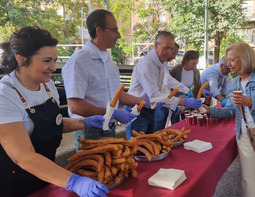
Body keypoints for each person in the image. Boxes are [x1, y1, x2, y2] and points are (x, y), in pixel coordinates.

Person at [0, 26, 113, 197]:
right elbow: (23, 156)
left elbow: (54, 123)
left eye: (55, 60)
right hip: (14, 182)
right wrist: (73, 181)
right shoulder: (5, 95)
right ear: (21, 59)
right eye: (46, 61)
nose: (53, 67)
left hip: (45, 174)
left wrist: (85, 121)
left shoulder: (47, 86)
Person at [202, 42, 255, 197]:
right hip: (244, 136)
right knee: (246, 179)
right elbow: (230, 111)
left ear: (245, 58)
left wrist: (252, 102)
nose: (228, 64)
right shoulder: (234, 83)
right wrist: (209, 111)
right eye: (228, 60)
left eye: (232, 60)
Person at [62, 9, 142, 151]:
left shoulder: (110, 64)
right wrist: (111, 112)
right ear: (99, 31)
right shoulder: (79, 61)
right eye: (114, 30)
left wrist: (143, 102)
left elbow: (117, 94)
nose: (119, 35)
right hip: (88, 130)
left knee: (114, 168)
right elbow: (75, 106)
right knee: (93, 171)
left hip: (110, 127)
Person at [126, 31, 201, 139]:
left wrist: (184, 90)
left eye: (171, 49)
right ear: (156, 45)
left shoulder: (163, 62)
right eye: (166, 48)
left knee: (150, 143)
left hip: (151, 107)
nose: (169, 52)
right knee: (137, 147)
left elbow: (167, 79)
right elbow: (155, 95)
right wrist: (183, 101)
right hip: (137, 109)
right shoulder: (147, 65)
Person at [154, 43, 193, 131]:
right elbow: (167, 80)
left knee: (160, 132)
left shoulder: (163, 63)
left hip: (165, 101)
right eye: (174, 53)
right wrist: (186, 90)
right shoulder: (154, 62)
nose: (175, 57)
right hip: (156, 103)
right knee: (155, 134)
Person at [170, 50, 201, 123]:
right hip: (176, 103)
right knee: (175, 124)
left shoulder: (196, 72)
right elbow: (169, 86)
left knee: (187, 123)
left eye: (196, 64)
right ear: (186, 61)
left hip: (188, 105)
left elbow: (198, 87)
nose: (195, 66)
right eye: (193, 64)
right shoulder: (176, 70)